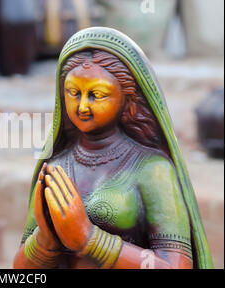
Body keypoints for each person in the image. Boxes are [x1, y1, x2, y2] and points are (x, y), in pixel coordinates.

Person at [14, 27, 213, 269]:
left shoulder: (152, 170)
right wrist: (45, 240)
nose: (82, 106)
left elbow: (177, 266)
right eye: (73, 93)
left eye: (97, 94)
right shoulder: (57, 167)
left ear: (127, 98)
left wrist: (90, 239)